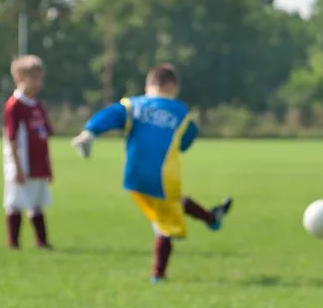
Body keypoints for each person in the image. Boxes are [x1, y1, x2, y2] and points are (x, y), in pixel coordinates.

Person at [70, 64, 233, 283]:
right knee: (165, 226)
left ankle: (211, 218)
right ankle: (158, 275)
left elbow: (112, 113)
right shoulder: (180, 111)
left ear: (148, 85)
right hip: (164, 177)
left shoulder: (133, 105)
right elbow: (187, 140)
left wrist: (90, 132)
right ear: (173, 86)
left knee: (173, 203)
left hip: (133, 178)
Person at [3, 55, 54, 250]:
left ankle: (42, 242)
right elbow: (12, 138)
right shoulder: (14, 105)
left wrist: (49, 166)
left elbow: (44, 136)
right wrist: (16, 167)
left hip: (39, 162)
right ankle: (13, 243)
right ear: (20, 77)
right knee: (15, 201)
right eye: (35, 78)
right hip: (22, 164)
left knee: (37, 202)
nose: (39, 82)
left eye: (40, 78)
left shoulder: (37, 105)